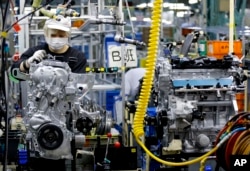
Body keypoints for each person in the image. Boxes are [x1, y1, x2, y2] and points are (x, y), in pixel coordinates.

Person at [11, 15, 87, 80]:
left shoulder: (78, 57)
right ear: (46, 34)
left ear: (68, 36)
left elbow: (79, 85)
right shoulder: (35, 52)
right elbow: (13, 75)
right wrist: (28, 63)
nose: (57, 39)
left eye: (61, 36)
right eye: (53, 35)